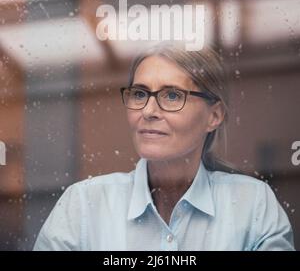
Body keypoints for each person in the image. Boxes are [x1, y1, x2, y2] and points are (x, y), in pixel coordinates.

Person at [34, 42, 295, 250]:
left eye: (172, 95)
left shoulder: (253, 206)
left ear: (214, 116)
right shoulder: (83, 204)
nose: (148, 110)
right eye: (139, 94)